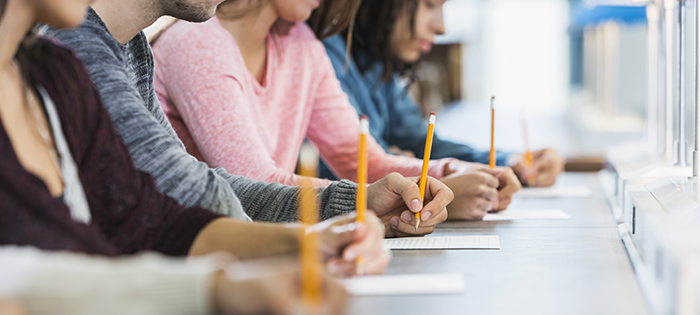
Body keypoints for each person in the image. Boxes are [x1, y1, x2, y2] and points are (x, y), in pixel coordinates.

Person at [0, 0, 347, 313]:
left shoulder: (56, 71)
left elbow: (150, 219)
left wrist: (311, 241)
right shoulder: (77, 47)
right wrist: (214, 289)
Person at [46, 0, 453, 236]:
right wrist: (324, 231)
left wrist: (359, 203)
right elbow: (184, 192)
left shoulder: (131, 48)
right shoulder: (76, 49)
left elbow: (196, 182)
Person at [152, 0, 520, 222]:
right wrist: (381, 201)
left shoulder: (301, 44)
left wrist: (448, 172)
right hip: (206, 252)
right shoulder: (196, 42)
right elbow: (256, 185)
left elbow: (359, 158)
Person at [320, 0, 566, 190]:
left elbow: (423, 146)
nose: (441, 27)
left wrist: (509, 163)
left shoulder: (376, 64)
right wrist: (446, 177)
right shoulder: (325, 54)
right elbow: (358, 165)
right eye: (429, 5)